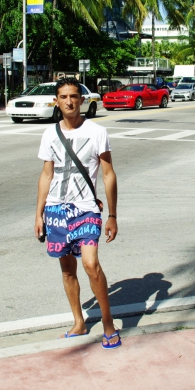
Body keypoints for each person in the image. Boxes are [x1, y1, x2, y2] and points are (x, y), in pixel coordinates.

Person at [35, 78, 121, 349]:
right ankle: (79, 322)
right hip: (56, 210)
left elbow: (108, 174)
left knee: (90, 264)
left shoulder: (97, 132)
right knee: (67, 269)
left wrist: (112, 215)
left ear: (82, 100)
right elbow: (46, 174)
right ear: (56, 101)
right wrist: (39, 214)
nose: (69, 101)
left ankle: (108, 323)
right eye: (63, 97)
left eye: (74, 96)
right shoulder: (50, 134)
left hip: (86, 208)